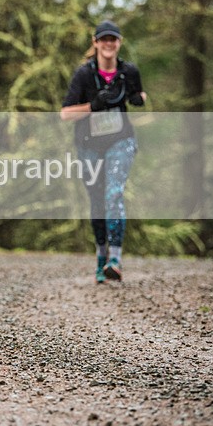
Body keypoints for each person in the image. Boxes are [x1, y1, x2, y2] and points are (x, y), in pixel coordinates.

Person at [60, 20, 147, 283]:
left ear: (119, 43)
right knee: (97, 200)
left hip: (121, 141)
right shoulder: (84, 75)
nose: (109, 44)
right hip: (89, 145)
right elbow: (65, 114)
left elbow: (140, 93)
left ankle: (115, 259)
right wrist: (92, 106)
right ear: (95, 43)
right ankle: (101, 256)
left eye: (113, 39)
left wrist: (138, 98)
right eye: (104, 39)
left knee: (114, 193)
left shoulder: (128, 71)